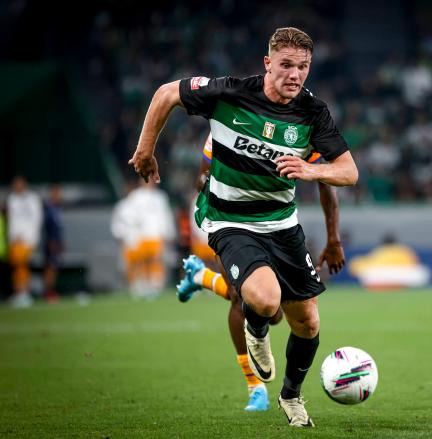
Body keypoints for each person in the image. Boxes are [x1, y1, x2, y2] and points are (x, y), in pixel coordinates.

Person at [129, 27, 358, 427]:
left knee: (307, 321)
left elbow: (349, 172)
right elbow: (167, 93)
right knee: (266, 301)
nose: (295, 75)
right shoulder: (230, 93)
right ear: (267, 63)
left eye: (303, 67)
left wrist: (310, 168)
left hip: (283, 223)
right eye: (286, 65)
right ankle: (255, 331)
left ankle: (291, 396)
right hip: (229, 219)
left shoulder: (312, 112)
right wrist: (145, 150)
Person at [175, 132, 346, 411]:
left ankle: (201, 277)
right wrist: (217, 182)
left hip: (276, 228)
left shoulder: (296, 126)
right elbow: (200, 177)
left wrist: (333, 238)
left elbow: (327, 180)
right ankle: (255, 387)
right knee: (241, 300)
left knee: (274, 311)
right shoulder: (227, 123)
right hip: (228, 223)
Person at [111, 180, 176, 299]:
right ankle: (141, 286)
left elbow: (165, 216)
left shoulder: (160, 197)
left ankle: (155, 285)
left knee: (156, 260)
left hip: (156, 235)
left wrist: (168, 232)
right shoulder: (136, 196)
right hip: (142, 234)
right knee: (141, 261)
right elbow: (129, 216)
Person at [7, 176, 43, 308]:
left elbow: (36, 219)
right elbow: (12, 221)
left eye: (19, 184)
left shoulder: (32, 199)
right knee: (17, 267)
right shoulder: (12, 199)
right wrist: (12, 237)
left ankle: (24, 293)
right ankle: (19, 293)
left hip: (27, 239)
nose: (16, 186)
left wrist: (32, 238)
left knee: (22, 265)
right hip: (15, 239)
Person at [42, 185, 64, 303]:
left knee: (53, 268)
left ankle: (50, 291)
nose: (60, 197)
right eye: (57, 194)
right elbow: (48, 227)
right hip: (51, 243)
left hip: (56, 242)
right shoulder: (49, 209)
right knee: (50, 269)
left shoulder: (57, 209)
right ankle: (47, 292)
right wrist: (52, 242)